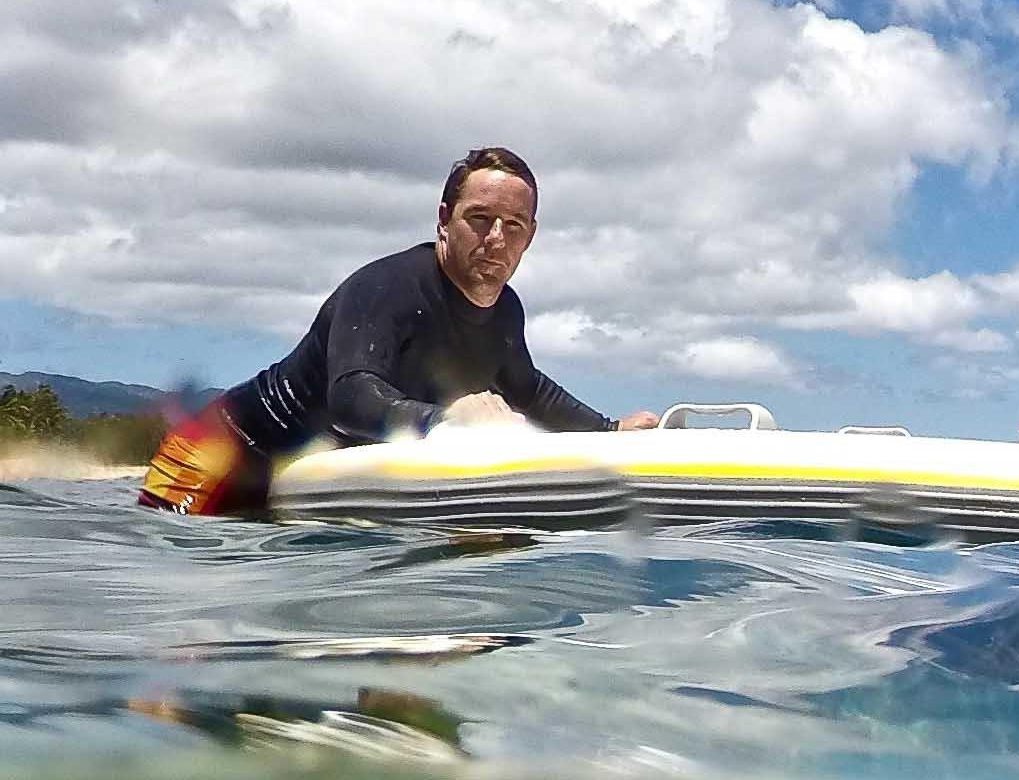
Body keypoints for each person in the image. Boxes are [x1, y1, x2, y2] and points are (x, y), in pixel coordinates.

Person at [139, 146, 657, 514]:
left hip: (300, 479)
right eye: (480, 218)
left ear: (531, 236)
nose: (496, 239)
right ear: (444, 219)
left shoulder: (506, 312)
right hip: (218, 453)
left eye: (514, 225)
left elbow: (528, 388)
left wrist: (610, 430)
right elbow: (351, 395)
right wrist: (445, 418)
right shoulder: (388, 287)